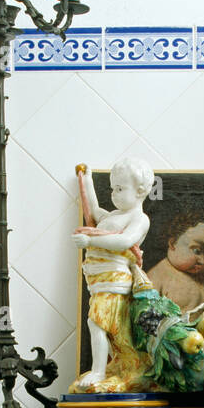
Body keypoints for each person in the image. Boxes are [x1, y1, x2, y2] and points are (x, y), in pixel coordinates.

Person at [71, 158, 155, 391]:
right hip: (99, 281)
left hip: (115, 282)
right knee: (106, 328)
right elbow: (94, 209)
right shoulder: (111, 216)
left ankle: (99, 370)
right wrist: (87, 180)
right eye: (112, 188)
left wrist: (90, 239)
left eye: (120, 189)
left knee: (96, 322)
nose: (114, 194)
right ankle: (110, 367)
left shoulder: (139, 219)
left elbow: (125, 241)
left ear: (139, 191)